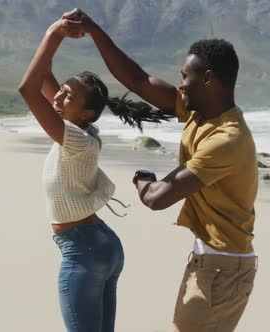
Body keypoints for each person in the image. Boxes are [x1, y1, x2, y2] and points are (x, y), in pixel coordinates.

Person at [62, 9, 259, 332]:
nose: (181, 84)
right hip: (212, 261)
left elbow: (157, 198)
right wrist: (95, 31)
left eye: (185, 76)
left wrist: (143, 180)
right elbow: (138, 81)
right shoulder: (201, 113)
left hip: (223, 269)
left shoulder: (227, 138)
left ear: (208, 79)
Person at [17, 19, 172, 332]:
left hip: (84, 251)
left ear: (87, 113)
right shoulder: (79, 131)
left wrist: (52, 35)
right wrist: (57, 32)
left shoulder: (74, 139)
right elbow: (43, 75)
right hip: (98, 246)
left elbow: (28, 89)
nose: (58, 99)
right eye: (59, 93)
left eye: (67, 98)